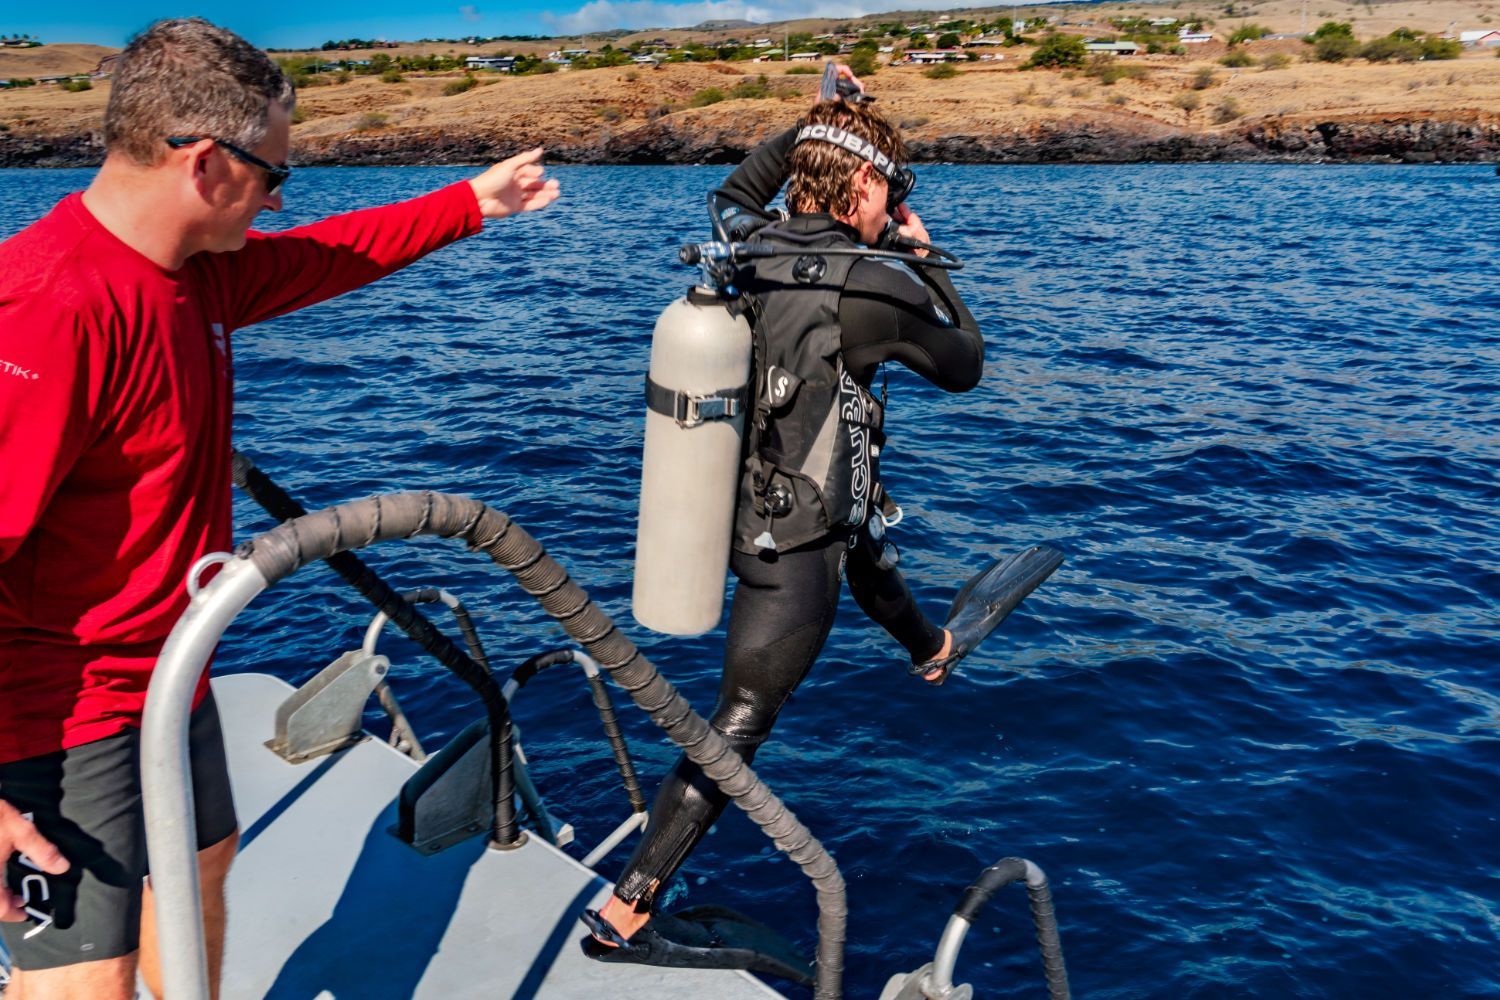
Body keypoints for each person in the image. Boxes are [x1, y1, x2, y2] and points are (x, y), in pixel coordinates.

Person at [0, 17, 558, 999]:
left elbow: (327, 254)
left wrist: (472, 202)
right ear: (209, 166)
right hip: (59, 711)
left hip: (171, 676)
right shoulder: (51, 306)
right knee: (83, 977)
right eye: (273, 175)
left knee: (198, 870)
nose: (279, 197)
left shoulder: (196, 275)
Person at [582, 88, 1001, 978]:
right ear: (859, 186)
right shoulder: (873, 280)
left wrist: (817, 121)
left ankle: (932, 647)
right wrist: (926, 261)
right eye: (889, 192)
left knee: (869, 551)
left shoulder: (744, 243)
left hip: (748, 514)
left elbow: (738, 185)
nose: (897, 209)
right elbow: (965, 363)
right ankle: (627, 907)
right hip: (796, 546)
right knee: (740, 718)